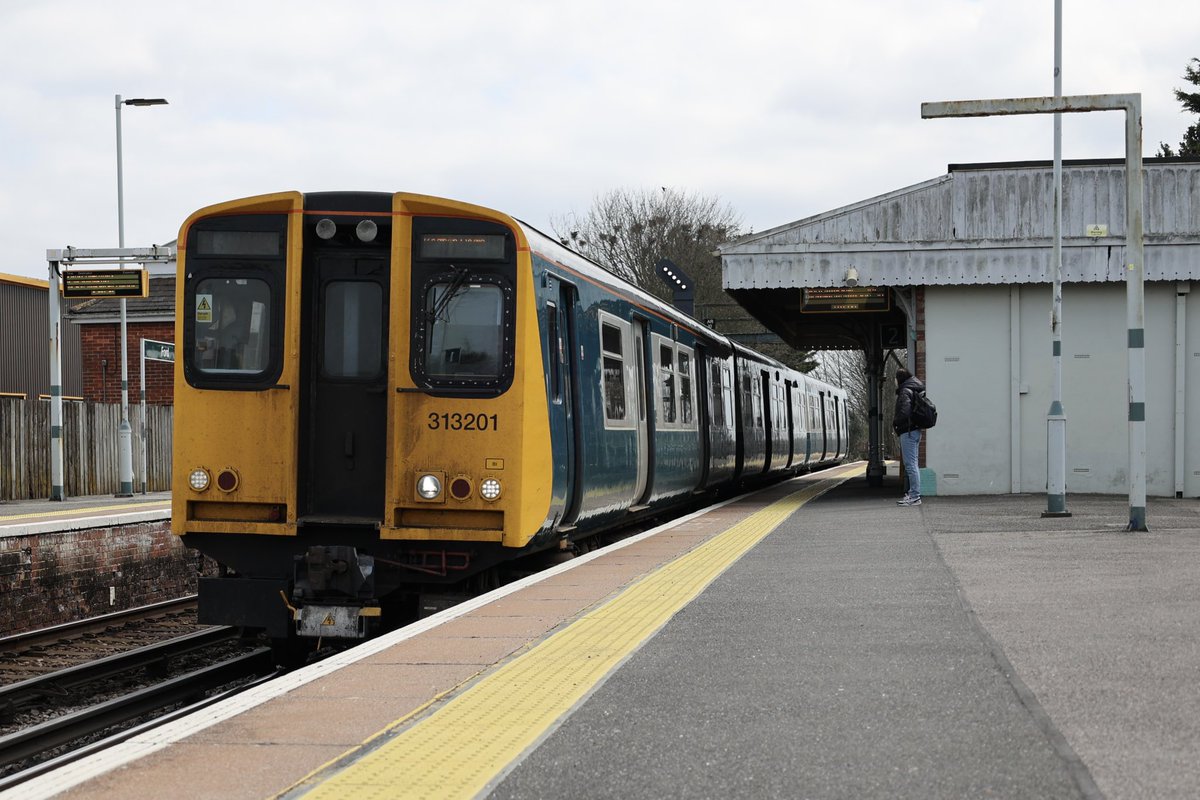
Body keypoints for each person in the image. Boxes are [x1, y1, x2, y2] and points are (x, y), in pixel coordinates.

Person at [893, 367, 926, 506]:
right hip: (915, 431)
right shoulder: (914, 389)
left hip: (908, 431)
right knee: (913, 464)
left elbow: (904, 412)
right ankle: (914, 495)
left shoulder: (905, 391)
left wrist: (896, 423)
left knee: (910, 465)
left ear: (899, 379)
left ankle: (914, 496)